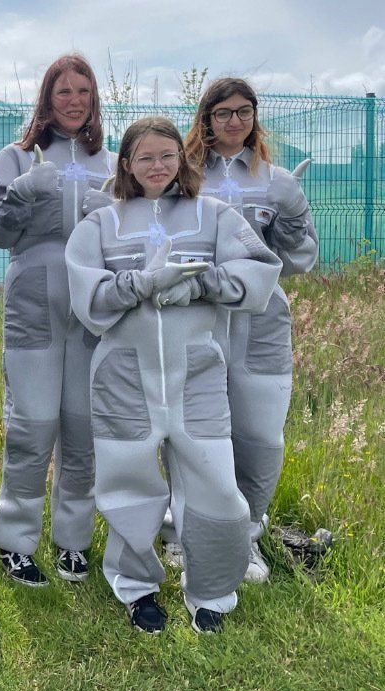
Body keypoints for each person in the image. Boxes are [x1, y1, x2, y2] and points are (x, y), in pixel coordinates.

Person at [65, 117, 281, 634]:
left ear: (181, 160)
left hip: (197, 375)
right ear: (126, 164)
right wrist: (139, 284)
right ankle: (136, 589)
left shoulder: (215, 214)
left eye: (166, 155)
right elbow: (88, 299)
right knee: (127, 486)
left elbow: (259, 270)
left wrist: (201, 284)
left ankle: (211, 593)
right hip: (122, 377)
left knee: (215, 485)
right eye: (145, 157)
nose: (157, 166)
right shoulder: (100, 223)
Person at [166, 78, 317, 582]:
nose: (235, 121)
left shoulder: (275, 180)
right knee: (194, 432)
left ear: (254, 117)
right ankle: (186, 534)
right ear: (206, 118)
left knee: (260, 434)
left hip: (261, 320)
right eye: (224, 112)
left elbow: (297, 259)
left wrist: (293, 214)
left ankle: (245, 534)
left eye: (244, 111)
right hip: (197, 318)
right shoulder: (183, 175)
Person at [0, 54, 115, 586]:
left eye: (83, 91)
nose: (73, 101)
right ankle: (15, 540)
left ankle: (73, 542)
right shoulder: (16, 158)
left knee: (83, 430)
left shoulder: (111, 162)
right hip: (34, 304)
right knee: (31, 426)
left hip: (92, 307)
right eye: (63, 91)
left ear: (94, 100)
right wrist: (21, 195)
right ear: (46, 98)